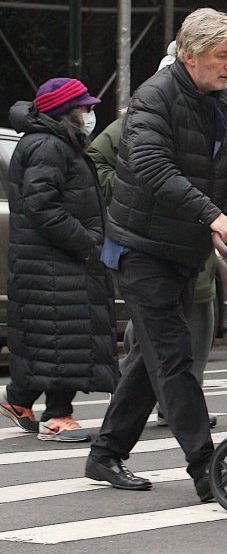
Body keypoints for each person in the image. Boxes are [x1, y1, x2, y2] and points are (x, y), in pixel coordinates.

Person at [85, 8, 227, 501]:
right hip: (141, 247)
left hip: (181, 247)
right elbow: (152, 167)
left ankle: (105, 453)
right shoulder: (153, 98)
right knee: (174, 357)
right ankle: (205, 468)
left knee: (150, 356)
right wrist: (209, 214)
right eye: (222, 56)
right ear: (190, 56)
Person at [87, 42, 227, 429]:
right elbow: (118, 167)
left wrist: (221, 200)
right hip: (150, 247)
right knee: (165, 352)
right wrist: (127, 188)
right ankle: (200, 451)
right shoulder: (146, 112)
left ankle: (110, 449)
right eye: (219, 59)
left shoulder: (221, 110)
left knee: (168, 351)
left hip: (193, 252)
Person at [1, 78, 117, 443]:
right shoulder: (49, 147)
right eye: (84, 109)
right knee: (62, 334)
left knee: (58, 335)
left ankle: (20, 398)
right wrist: (86, 244)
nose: (90, 115)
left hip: (56, 260)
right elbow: (41, 206)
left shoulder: (56, 143)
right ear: (65, 112)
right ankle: (57, 415)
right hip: (56, 260)